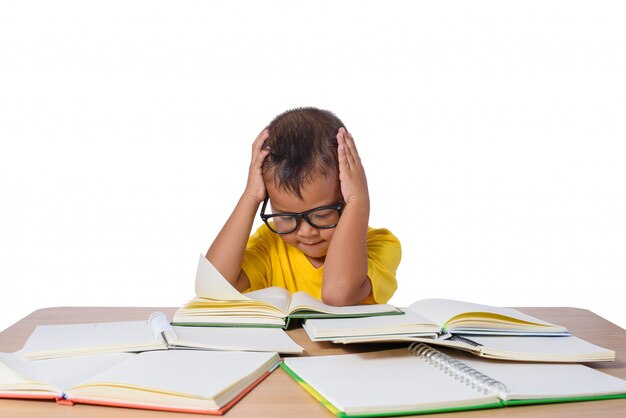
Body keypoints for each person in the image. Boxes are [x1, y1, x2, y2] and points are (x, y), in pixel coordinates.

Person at [206, 107, 401, 306]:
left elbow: (338, 295)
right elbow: (212, 288)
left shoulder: (381, 245)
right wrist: (250, 196)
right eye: (287, 217)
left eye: (322, 215)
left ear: (346, 196)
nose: (306, 232)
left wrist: (358, 200)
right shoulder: (269, 244)